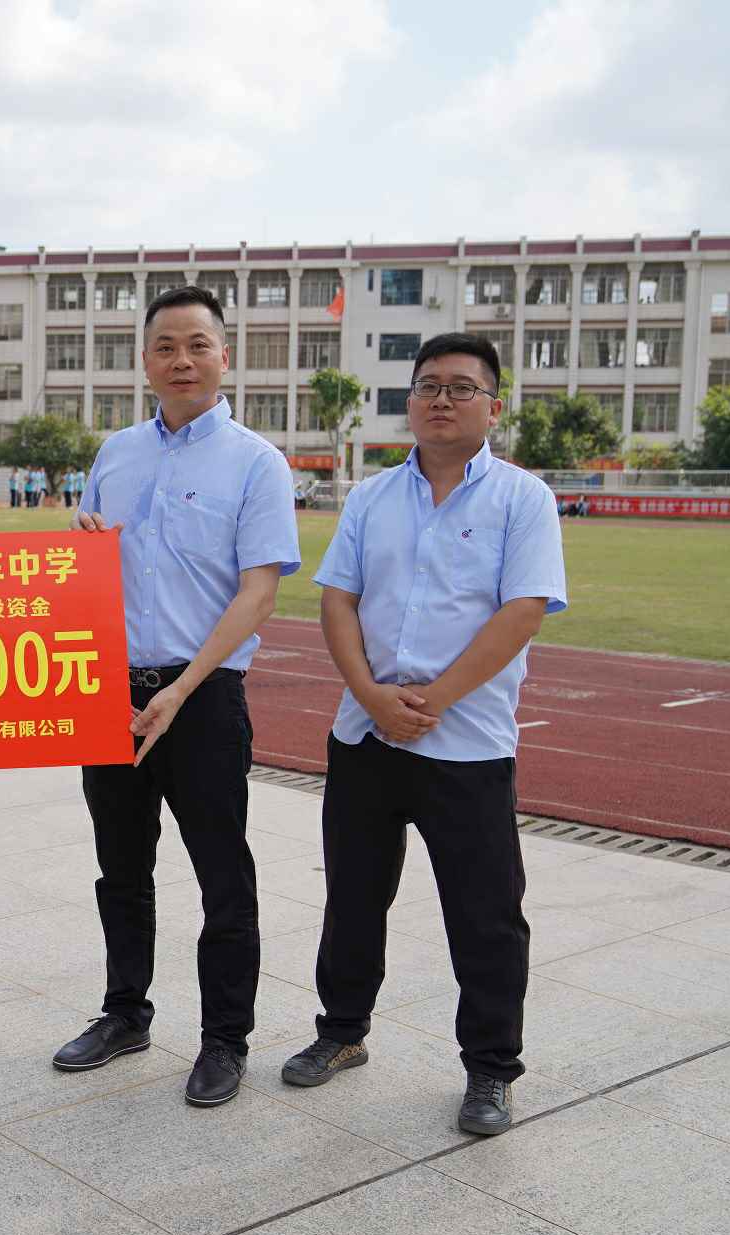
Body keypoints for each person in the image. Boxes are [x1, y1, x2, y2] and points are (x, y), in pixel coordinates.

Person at [281, 331, 566, 1137]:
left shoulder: (521, 499)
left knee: (485, 916)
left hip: (465, 744)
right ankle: (341, 1032)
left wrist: (430, 699)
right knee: (353, 898)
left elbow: (522, 612)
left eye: (461, 387)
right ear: (409, 401)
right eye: (428, 385)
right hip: (364, 737)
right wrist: (371, 696)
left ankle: (489, 1070)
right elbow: (336, 599)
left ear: (492, 407)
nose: (442, 399)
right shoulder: (372, 497)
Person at [57, 284, 299, 1109]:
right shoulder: (116, 454)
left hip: (201, 698)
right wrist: (82, 548)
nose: (181, 360)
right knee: (120, 870)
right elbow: (85, 571)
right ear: (144, 361)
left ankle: (224, 1040)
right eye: (165, 346)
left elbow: (258, 593)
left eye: (197, 344)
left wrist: (182, 688)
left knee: (221, 876)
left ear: (224, 356)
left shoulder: (255, 462)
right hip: (108, 696)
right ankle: (124, 1014)